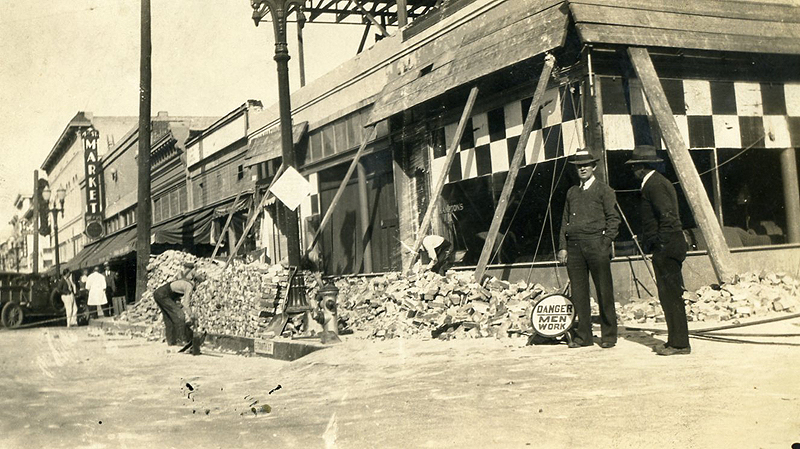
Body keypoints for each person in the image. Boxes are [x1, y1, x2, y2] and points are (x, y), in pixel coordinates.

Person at [626, 145, 690, 356]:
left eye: (634, 166)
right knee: (667, 295)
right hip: (668, 244)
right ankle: (675, 341)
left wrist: (661, 244)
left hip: (668, 246)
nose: (632, 171)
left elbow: (668, 217)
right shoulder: (655, 183)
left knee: (671, 295)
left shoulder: (654, 185)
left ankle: (680, 344)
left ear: (641, 167)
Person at [557, 150, 620, 349]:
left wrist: (604, 243)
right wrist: (563, 247)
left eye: (586, 165)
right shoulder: (572, 192)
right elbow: (564, 221)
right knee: (579, 293)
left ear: (594, 167)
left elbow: (614, 219)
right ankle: (584, 337)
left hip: (596, 244)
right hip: (574, 248)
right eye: (578, 166)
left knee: (604, 290)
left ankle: (609, 335)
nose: (582, 168)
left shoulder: (604, 190)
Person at [153, 262, 198, 346]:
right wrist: (191, 315)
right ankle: (181, 340)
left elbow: (178, 300)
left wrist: (180, 306)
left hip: (159, 293)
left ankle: (171, 341)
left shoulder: (182, 280)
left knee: (168, 317)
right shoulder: (189, 286)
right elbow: (186, 304)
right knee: (180, 315)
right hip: (164, 295)